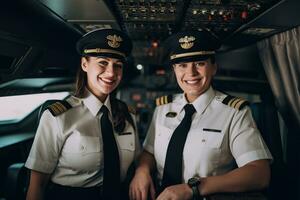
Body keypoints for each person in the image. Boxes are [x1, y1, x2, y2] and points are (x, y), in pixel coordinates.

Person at [129, 30, 272, 200]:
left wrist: (194, 188)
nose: (191, 73)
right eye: (182, 65)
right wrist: (142, 171)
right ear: (174, 69)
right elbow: (149, 152)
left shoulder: (234, 113)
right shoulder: (163, 108)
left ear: (213, 67)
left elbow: (259, 173)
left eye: (199, 63)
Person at [25, 28, 140, 200]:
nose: (111, 72)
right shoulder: (58, 116)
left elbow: (137, 162)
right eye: (103, 62)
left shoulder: (128, 114)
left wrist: (142, 172)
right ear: (85, 64)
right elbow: (37, 185)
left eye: (118, 65)